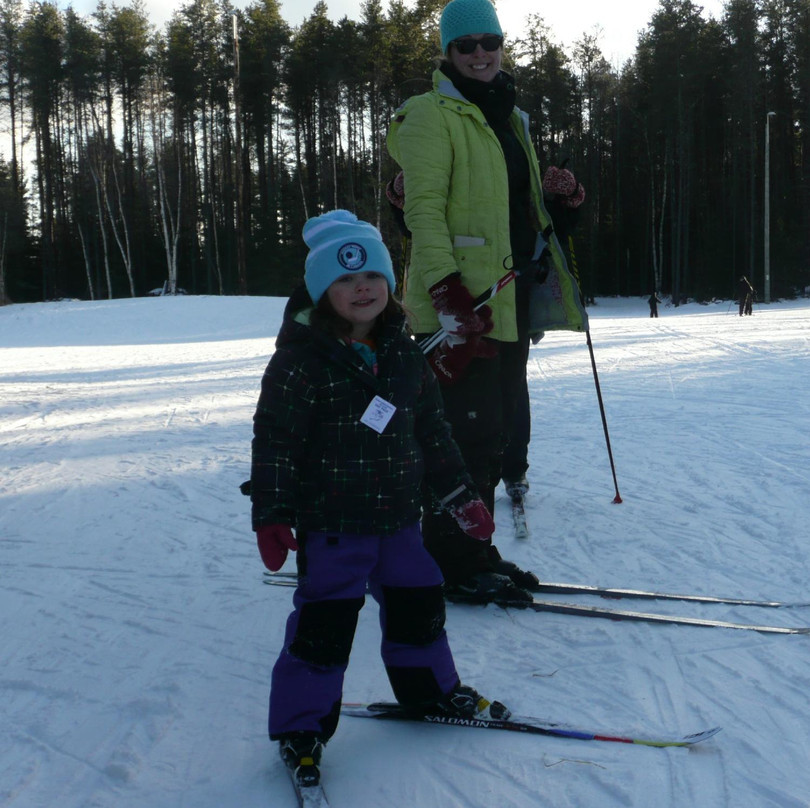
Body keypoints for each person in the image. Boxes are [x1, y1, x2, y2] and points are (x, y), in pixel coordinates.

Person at [250, 210, 509, 788]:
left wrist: (460, 496)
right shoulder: (300, 361)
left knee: (420, 608)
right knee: (323, 627)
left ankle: (430, 691)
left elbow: (432, 433)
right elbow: (276, 440)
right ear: (321, 290)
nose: (361, 288)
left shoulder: (404, 354)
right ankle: (301, 725)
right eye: (343, 279)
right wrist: (271, 513)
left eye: (371, 275)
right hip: (333, 527)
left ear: (390, 283)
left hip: (399, 524)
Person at [386, 0, 588, 604]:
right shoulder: (428, 114)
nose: (479, 53)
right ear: (447, 53)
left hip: (506, 304)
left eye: (489, 41)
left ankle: (472, 550)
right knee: (461, 437)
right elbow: (423, 212)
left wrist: (562, 205)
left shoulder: (511, 118)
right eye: (465, 44)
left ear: (502, 45)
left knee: (493, 434)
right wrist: (446, 290)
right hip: (458, 307)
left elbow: (519, 218)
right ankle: (451, 559)